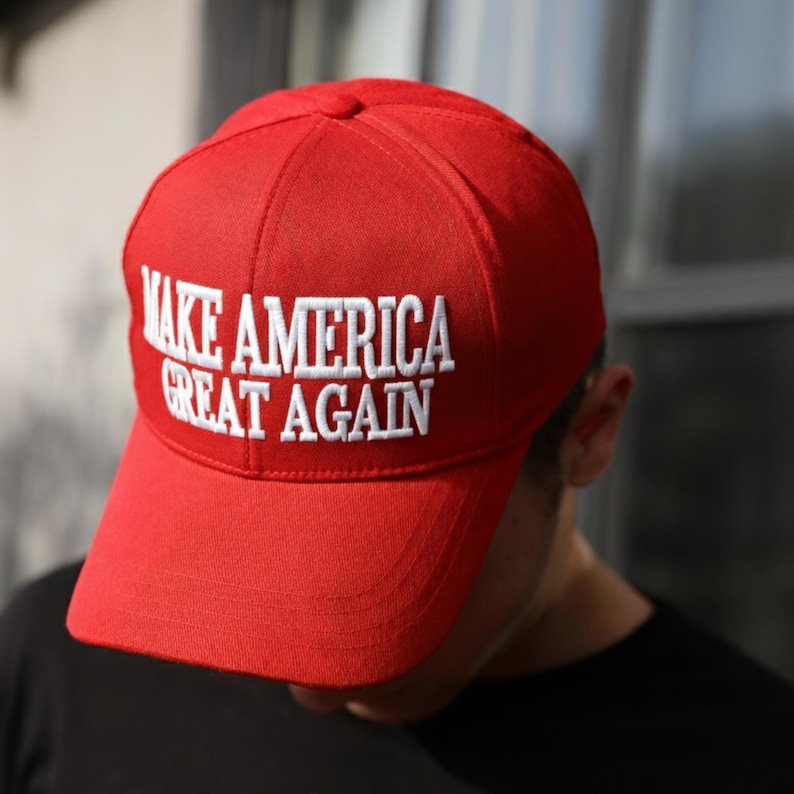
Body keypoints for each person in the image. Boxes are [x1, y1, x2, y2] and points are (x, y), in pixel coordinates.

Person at [1, 78, 792, 793]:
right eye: (229, 544)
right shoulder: (50, 666)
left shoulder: (747, 762)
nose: (305, 685)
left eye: (369, 573)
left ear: (591, 432)